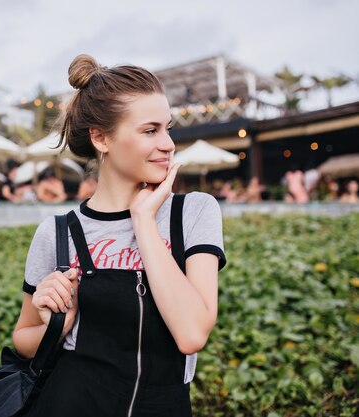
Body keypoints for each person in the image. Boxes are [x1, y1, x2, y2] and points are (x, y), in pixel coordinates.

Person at [13, 55, 226, 416]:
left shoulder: (193, 212)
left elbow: (192, 334)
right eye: (150, 130)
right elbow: (23, 339)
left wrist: (143, 220)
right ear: (101, 138)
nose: (169, 143)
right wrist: (59, 326)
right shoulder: (58, 232)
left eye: (167, 128)